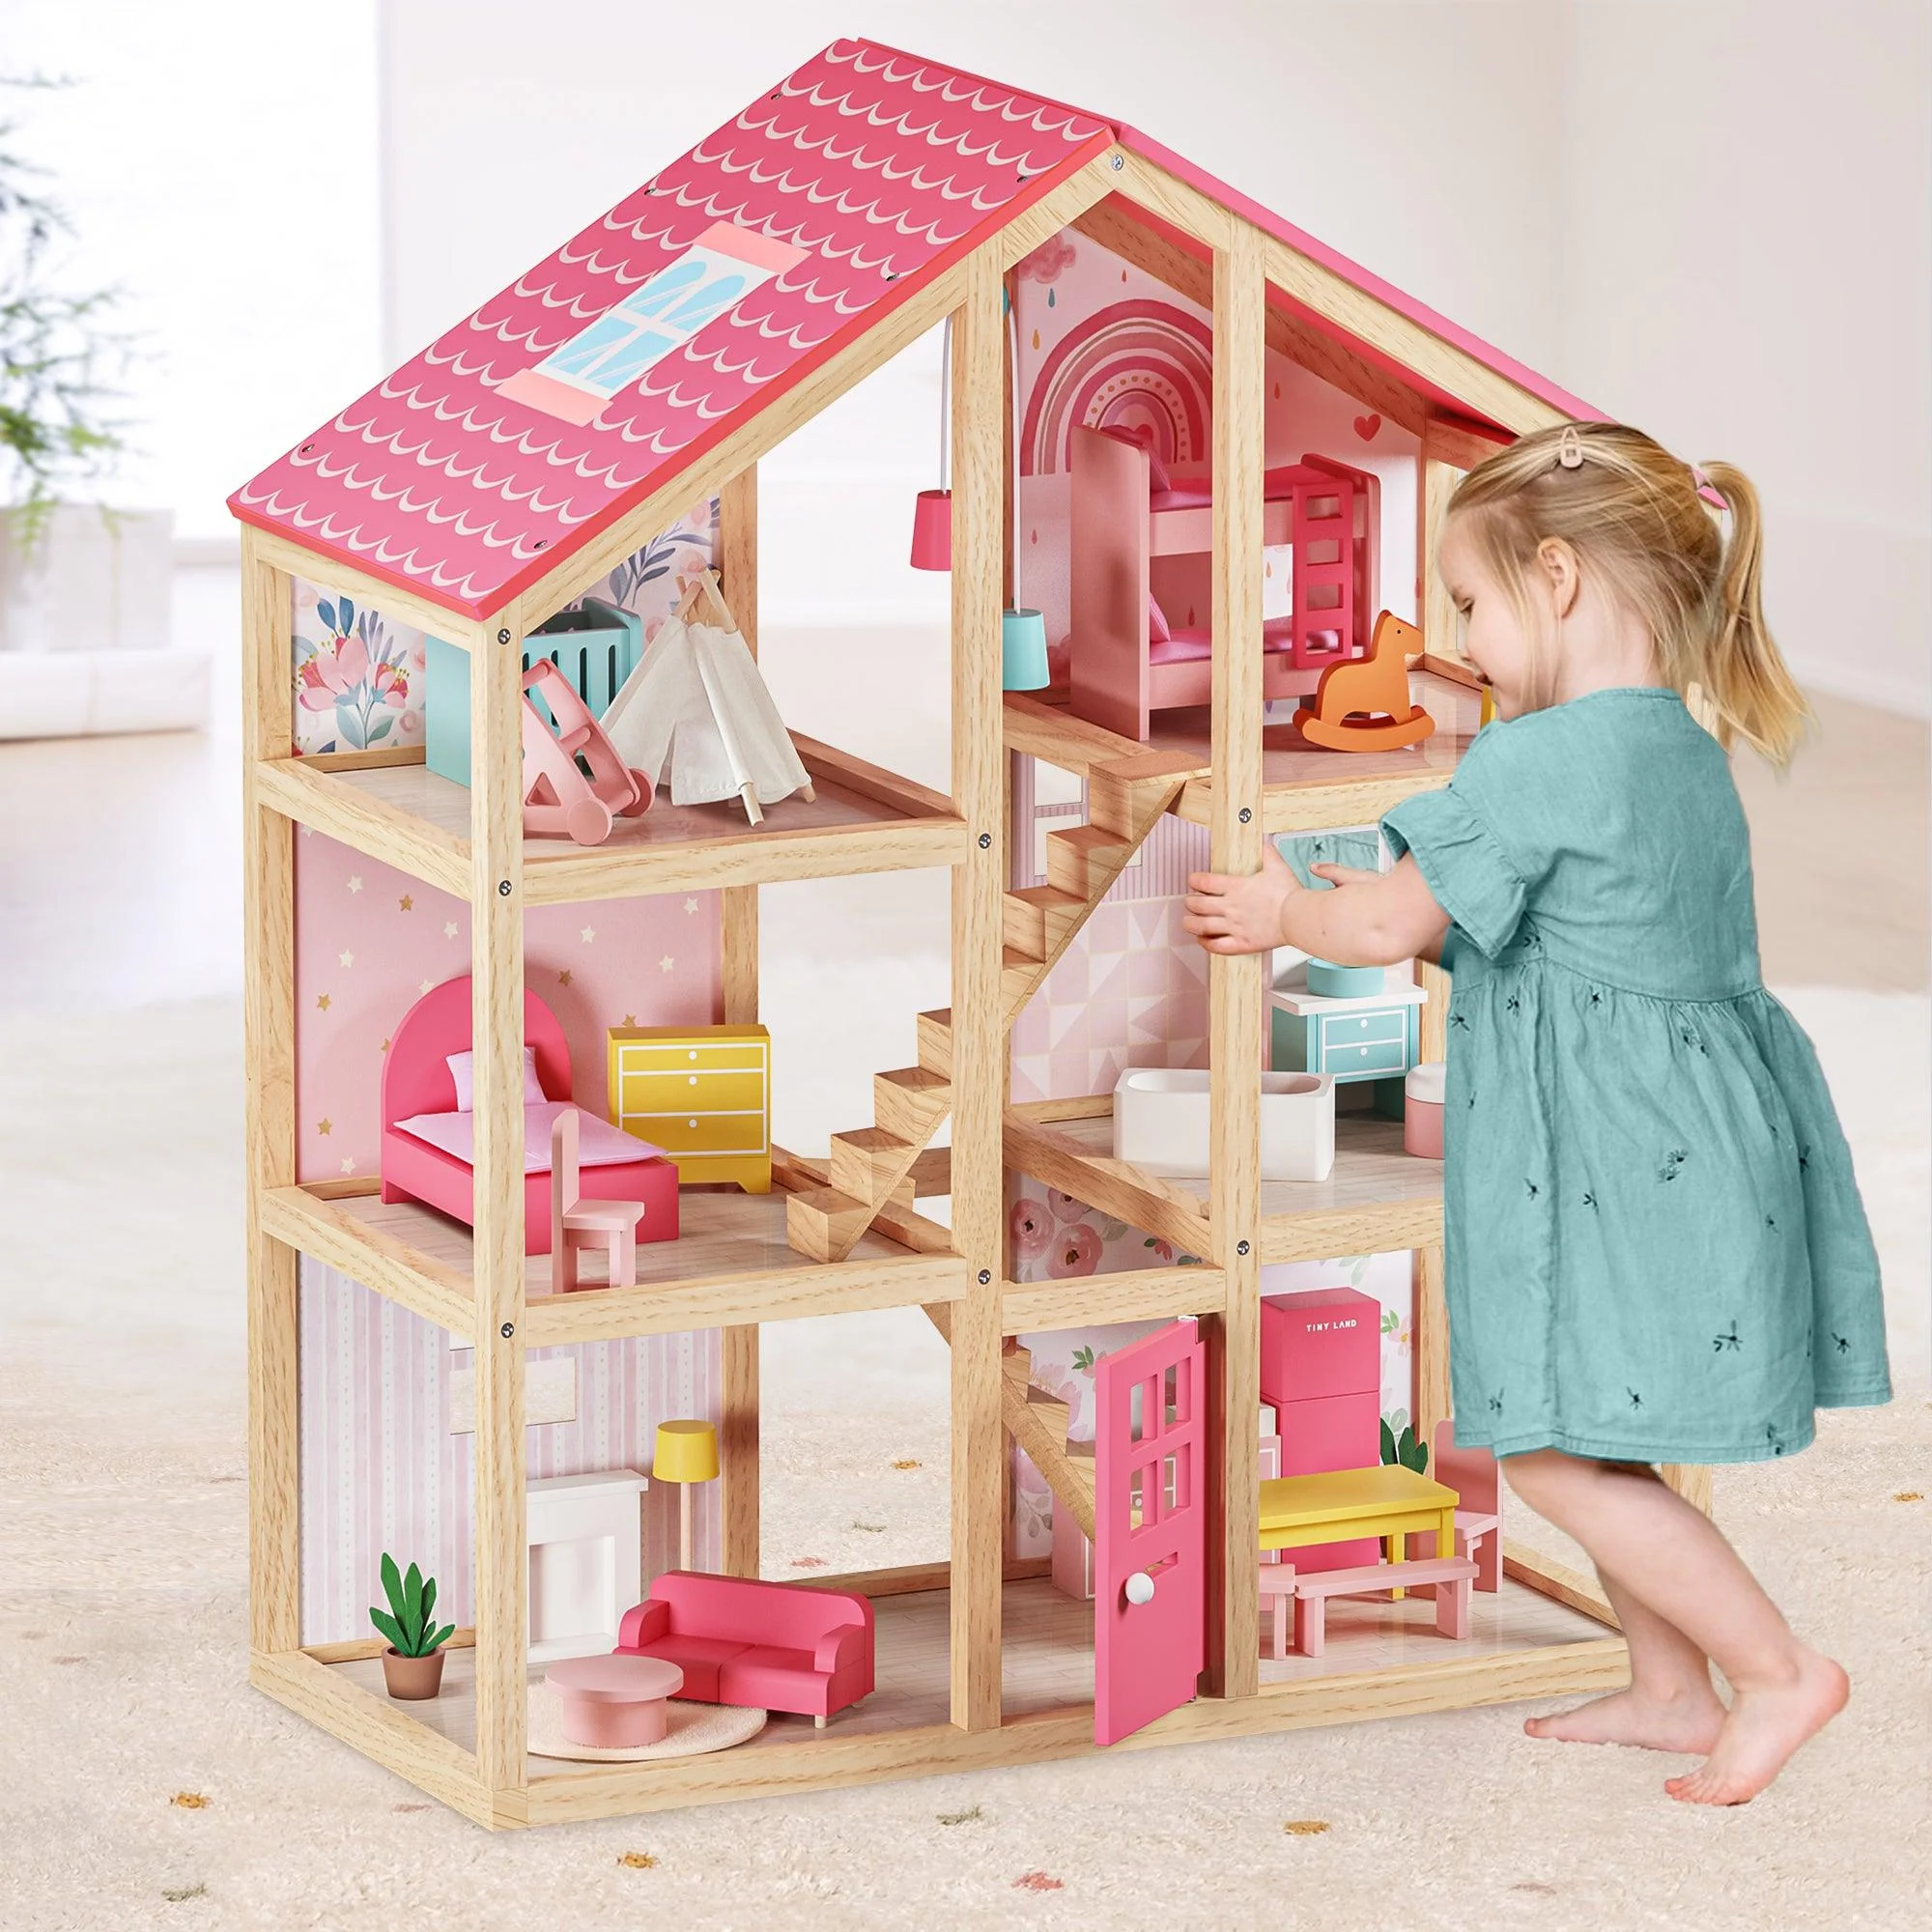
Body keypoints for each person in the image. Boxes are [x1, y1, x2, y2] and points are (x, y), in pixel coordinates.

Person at [1183, 420, 1889, 1805]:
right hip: (1698, 1133)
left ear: (1556, 580)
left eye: (1470, 604)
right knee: (1600, 1419)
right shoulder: (1678, 746)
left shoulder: (1532, 762)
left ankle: (1777, 1669)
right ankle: (1670, 1692)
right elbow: (1589, 945)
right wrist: (1431, 920)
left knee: (1553, 1454)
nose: (1465, 641)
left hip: (1609, 1152)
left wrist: (1282, 910)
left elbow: (1380, 926)